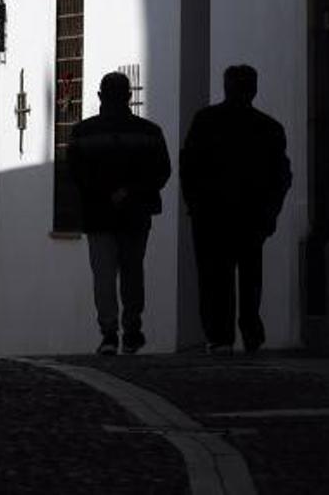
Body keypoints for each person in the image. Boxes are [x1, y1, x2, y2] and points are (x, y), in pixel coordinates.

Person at [180, 65, 292, 354]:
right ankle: (250, 329)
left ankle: (220, 335)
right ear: (254, 89)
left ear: (225, 87)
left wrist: (194, 204)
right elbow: (281, 176)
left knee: (214, 277)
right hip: (251, 215)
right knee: (251, 276)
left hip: (211, 215)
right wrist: (270, 211)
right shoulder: (269, 128)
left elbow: (189, 166)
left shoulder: (205, 121)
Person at [68, 71, 172, 355]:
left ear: (100, 96)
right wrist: (130, 191)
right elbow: (161, 171)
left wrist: (105, 192)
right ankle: (132, 328)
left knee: (103, 275)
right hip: (135, 214)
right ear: (129, 96)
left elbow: (77, 173)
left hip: (98, 214)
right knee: (132, 271)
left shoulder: (82, 133)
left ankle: (109, 332)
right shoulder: (150, 133)